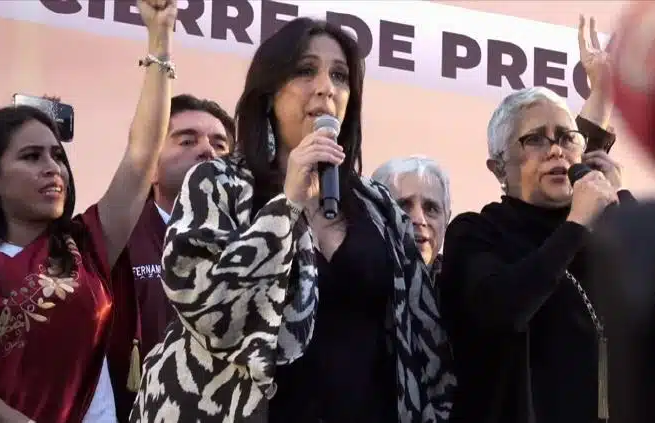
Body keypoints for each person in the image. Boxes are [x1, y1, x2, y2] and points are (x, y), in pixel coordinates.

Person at [131, 17, 454, 423]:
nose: (326, 87)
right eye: (305, 71)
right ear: (269, 93)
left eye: (340, 76)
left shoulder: (379, 205)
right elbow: (208, 309)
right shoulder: (219, 183)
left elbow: (425, 340)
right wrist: (288, 204)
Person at [0, 1, 176, 422]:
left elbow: (140, 156)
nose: (52, 168)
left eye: (57, 156)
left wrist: (160, 38)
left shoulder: (84, 246)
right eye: (30, 156)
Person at [439, 17, 627, 423]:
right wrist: (576, 225)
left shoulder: (604, 225)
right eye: (535, 140)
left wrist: (613, 206)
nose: (555, 151)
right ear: (499, 167)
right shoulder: (479, 233)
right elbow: (501, 312)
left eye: (565, 138)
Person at [107, 93, 234, 422]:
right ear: (150, 167)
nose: (208, 150)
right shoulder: (116, 243)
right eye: (187, 140)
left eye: (220, 145)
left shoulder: (256, 244)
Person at [371, 155, 451, 275]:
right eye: (402, 206)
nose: (419, 219)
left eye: (431, 208)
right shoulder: (353, 285)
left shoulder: (464, 288)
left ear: (446, 221)